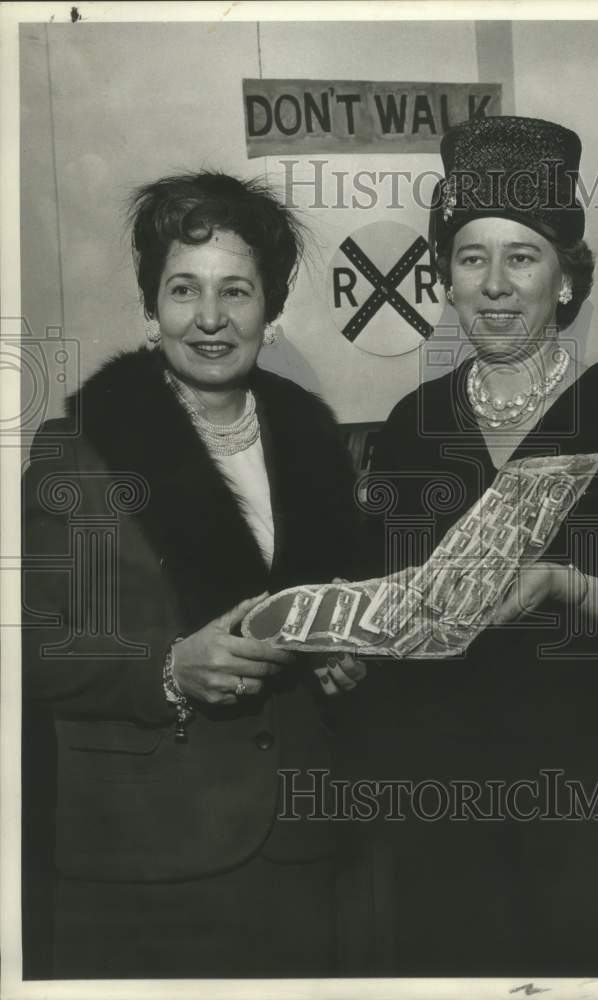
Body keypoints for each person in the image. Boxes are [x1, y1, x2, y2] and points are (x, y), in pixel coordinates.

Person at [360, 116, 598, 977]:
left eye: (522, 257)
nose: (494, 284)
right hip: (442, 806)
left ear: (565, 281)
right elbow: (386, 614)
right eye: (470, 257)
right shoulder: (412, 428)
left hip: (597, 802)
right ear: (445, 279)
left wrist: (561, 583)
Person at [21, 171, 369, 979]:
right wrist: (169, 670)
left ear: (270, 311)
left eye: (236, 292)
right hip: (147, 856)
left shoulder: (314, 440)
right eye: (183, 289)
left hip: (301, 845)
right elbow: (26, 647)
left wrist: (345, 657)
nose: (209, 319)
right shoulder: (77, 451)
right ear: (151, 306)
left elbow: (329, 607)